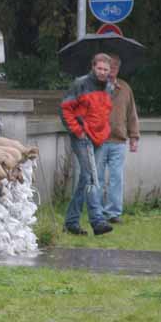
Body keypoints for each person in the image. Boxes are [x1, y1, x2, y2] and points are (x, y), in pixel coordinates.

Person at [59, 53, 115, 235]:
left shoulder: (109, 87)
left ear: (110, 71)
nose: (102, 72)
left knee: (85, 179)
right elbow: (65, 109)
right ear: (93, 67)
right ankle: (97, 220)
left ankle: (71, 222)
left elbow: (104, 113)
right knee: (91, 177)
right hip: (82, 137)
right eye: (99, 68)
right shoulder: (80, 84)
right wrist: (78, 130)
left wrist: (104, 131)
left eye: (106, 69)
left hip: (99, 137)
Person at [98, 54, 140, 224]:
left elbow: (132, 114)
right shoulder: (96, 86)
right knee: (98, 178)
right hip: (99, 140)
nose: (114, 67)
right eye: (111, 64)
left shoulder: (125, 88)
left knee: (116, 177)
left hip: (118, 140)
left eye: (117, 65)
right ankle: (97, 212)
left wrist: (134, 137)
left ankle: (113, 213)